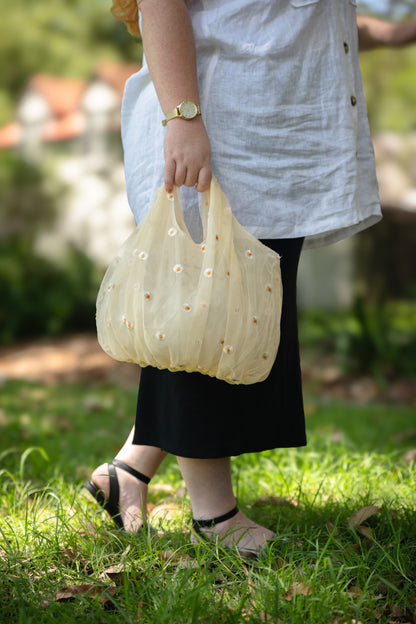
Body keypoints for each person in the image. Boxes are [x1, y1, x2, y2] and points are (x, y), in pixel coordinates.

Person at [84, 2, 416, 558]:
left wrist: (403, 32)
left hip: (269, 139)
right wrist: (183, 118)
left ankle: (127, 471)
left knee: (226, 317)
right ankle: (215, 516)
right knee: (208, 319)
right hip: (216, 121)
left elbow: (299, 21)